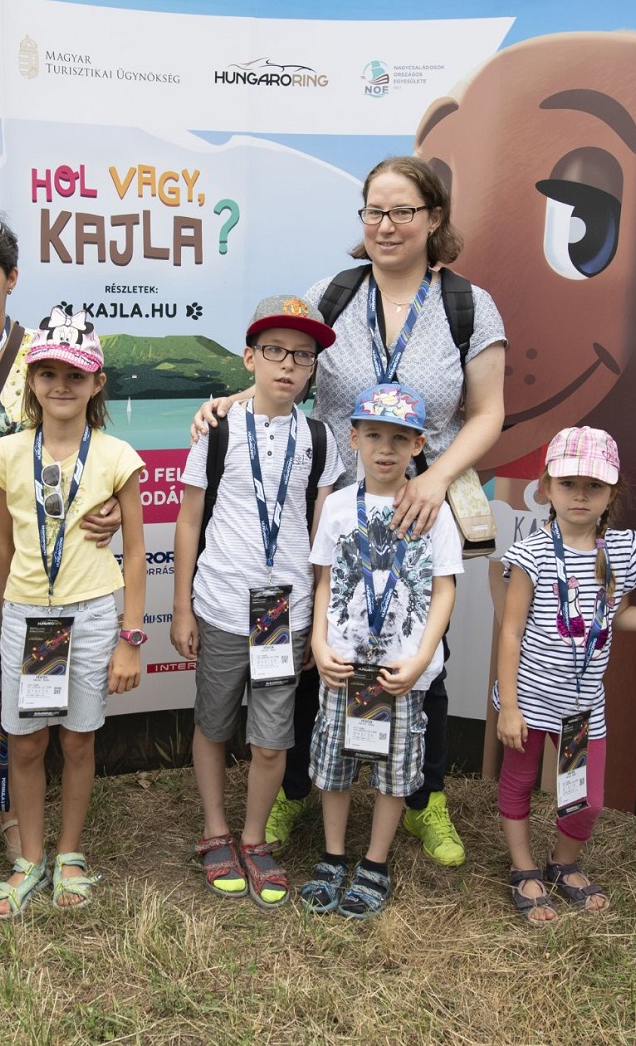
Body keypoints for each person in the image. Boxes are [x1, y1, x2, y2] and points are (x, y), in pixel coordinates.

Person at [197, 155, 507, 867]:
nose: (386, 226)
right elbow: (285, 373)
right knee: (322, 650)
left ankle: (425, 799)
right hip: (337, 508)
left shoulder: (467, 305)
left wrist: (440, 479)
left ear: (434, 219)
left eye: (403, 212)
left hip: (423, 508)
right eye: (373, 211)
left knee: (418, 657)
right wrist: (228, 403)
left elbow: (489, 413)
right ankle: (297, 790)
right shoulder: (332, 293)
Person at [0, 209, 123, 867]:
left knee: (20, 687)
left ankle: (16, 816)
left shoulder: (42, 354)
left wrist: (112, 508)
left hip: (31, 551)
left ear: (11, 278)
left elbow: (91, 448)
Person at [173, 295, 343, 908]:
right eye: (274, 351)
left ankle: (253, 840)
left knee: (272, 739)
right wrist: (184, 606)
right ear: (249, 357)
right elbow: (189, 520)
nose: (288, 365)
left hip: (285, 613)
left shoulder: (321, 440)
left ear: (313, 369)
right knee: (214, 723)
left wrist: (317, 621)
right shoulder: (216, 430)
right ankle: (215, 829)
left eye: (302, 356)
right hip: (220, 602)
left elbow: (323, 539)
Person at [0, 309, 146, 918]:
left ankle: (70, 853)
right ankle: (30, 857)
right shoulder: (4, 455)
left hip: (95, 613)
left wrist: (130, 638)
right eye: (47, 373)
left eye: (74, 376)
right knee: (25, 744)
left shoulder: (117, 456)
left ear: (96, 383)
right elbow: (4, 542)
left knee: (78, 741)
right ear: (30, 380)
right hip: (28, 617)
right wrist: (15, 605)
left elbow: (135, 554)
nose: (60, 386)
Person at [494, 427, 636, 923]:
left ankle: (563, 862)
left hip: (582, 706)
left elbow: (617, 616)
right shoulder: (531, 554)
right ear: (546, 487)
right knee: (519, 780)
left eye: (594, 486)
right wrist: (508, 705)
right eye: (568, 483)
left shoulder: (622, 551)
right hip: (530, 699)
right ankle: (523, 867)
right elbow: (511, 633)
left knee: (587, 800)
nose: (580, 495)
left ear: (612, 493)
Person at [299, 384, 461, 918]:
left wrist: (420, 661)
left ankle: (374, 861)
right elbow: (324, 582)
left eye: (399, 438)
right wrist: (320, 643)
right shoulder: (341, 507)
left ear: (419, 444)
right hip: (344, 668)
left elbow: (444, 589)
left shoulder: (432, 508)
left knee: (395, 769)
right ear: (354, 439)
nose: (385, 448)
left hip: (401, 671)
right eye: (373, 435)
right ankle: (333, 854)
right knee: (335, 763)